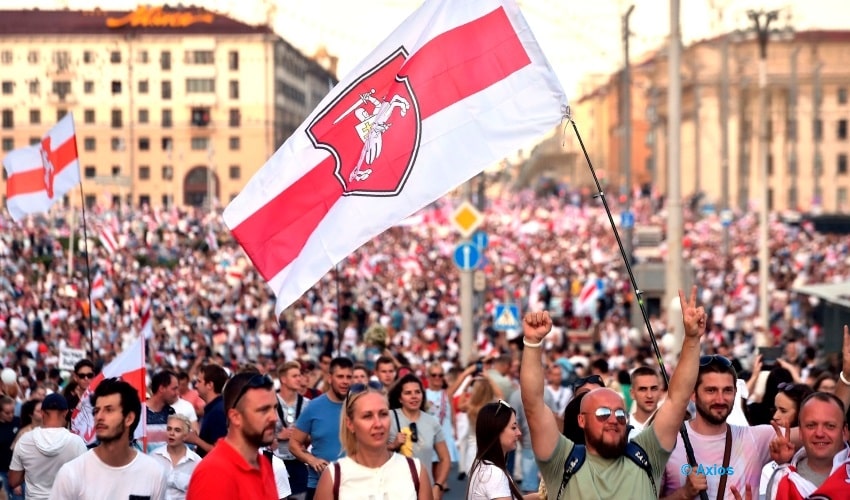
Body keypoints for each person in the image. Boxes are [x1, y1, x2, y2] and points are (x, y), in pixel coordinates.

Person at [521, 288, 705, 499]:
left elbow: (677, 399)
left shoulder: (646, 455)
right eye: (602, 414)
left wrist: (691, 339)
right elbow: (534, 406)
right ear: (581, 420)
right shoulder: (562, 462)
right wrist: (532, 344)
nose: (613, 420)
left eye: (620, 414)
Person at [660, 354, 800, 500]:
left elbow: (814, 434)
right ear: (693, 394)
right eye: (711, 390)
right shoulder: (667, 442)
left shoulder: (756, 438)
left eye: (727, 390)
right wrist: (683, 494)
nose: (720, 399)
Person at [51, 378, 168, 499]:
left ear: (129, 418)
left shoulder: (154, 473)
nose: (99, 416)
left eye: (109, 410)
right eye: (96, 411)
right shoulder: (71, 473)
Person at [315, 382, 431, 500]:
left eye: (383, 414)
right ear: (350, 424)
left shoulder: (415, 470)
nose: (378, 424)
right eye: (367, 416)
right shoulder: (334, 477)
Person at [186, 372, 278, 500]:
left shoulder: (263, 463)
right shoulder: (214, 473)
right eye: (263, 410)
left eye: (275, 408)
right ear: (235, 417)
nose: (274, 417)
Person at [765, 393, 850, 499]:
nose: (819, 433)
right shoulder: (781, 479)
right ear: (800, 432)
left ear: (845, 432)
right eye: (811, 425)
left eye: (830, 426)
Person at [290, 357, 353, 500]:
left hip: (353, 485)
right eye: (340, 376)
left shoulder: (358, 406)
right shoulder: (313, 407)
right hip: (319, 485)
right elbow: (293, 444)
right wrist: (312, 460)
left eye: (349, 377)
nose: (345, 381)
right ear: (330, 378)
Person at [8, 393, 86, 500]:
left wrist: (32, 468)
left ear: (42, 413)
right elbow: (84, 481)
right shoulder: (77, 442)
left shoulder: (25, 440)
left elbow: (13, 481)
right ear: (66, 412)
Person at [387, 373, 451, 499]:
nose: (414, 396)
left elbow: (445, 459)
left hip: (425, 490)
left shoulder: (432, 422)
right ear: (400, 398)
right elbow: (372, 452)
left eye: (417, 392)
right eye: (408, 393)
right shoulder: (388, 418)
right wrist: (393, 445)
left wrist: (438, 486)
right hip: (395, 490)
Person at [758, 382, 813, 499]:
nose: (775, 416)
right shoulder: (768, 465)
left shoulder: (825, 462)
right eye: (775, 409)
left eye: (783, 411)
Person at [466, 400, 529, 500]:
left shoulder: (485, 465)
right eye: (513, 427)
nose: (519, 433)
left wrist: (538, 496)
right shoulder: (494, 474)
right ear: (496, 431)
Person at [274, 361, 310, 499]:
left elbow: (313, 436)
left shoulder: (307, 404)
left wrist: (301, 435)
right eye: (294, 376)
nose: (299, 379)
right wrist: (279, 436)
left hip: (299, 461)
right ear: (283, 379)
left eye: (299, 375)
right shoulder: (270, 401)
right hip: (276, 461)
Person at [152, 413, 201, 500]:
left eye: (177, 430)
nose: (172, 433)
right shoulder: (154, 457)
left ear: (185, 436)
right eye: (169, 429)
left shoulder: (197, 462)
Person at [185, 364, 228, 457]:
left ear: (210, 385)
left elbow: (221, 451)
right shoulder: (213, 408)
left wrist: (196, 440)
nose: (196, 385)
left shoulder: (217, 412)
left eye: (199, 381)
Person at [146, 370, 179, 453]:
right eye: (174, 389)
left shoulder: (171, 413)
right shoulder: (139, 412)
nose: (177, 393)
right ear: (161, 388)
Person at [628, 366, 662, 439]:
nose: (649, 395)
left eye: (654, 389)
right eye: (643, 389)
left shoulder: (671, 425)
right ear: (632, 394)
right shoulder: (623, 426)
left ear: (660, 392)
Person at [0, 396, 21, 500]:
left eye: (13, 411)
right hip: (2, 471)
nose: (11, 415)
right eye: (7, 413)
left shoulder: (18, 422)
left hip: (18, 471)